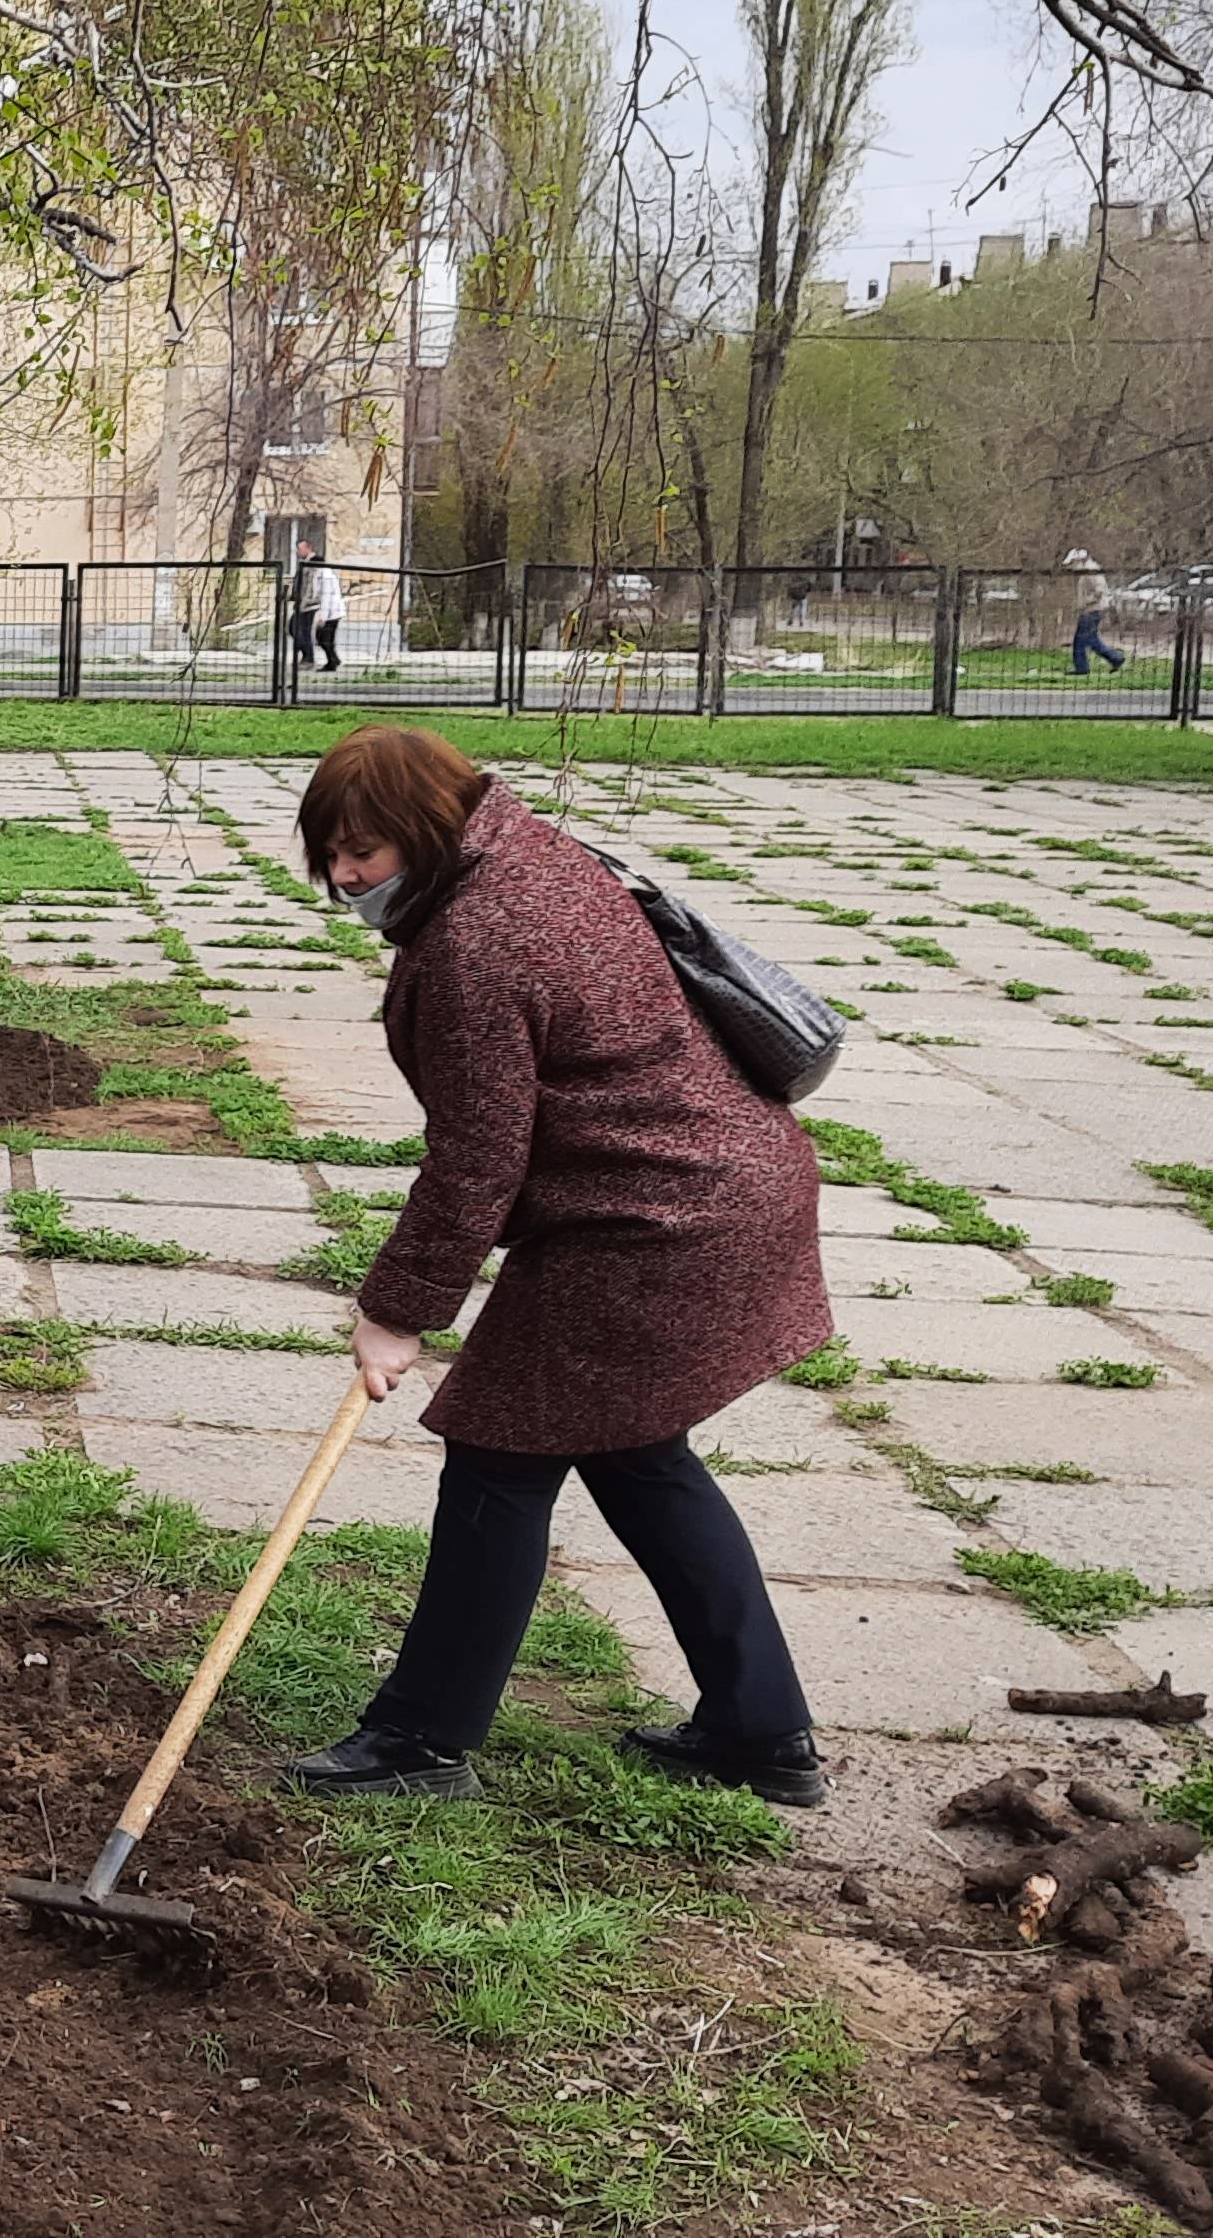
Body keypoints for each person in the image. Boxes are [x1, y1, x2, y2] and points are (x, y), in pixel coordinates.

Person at [279, 723, 829, 1807]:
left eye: (363, 853)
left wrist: (398, 1311)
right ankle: (760, 1731)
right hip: (715, 1185)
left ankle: (420, 1740)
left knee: (497, 1453)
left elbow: (479, 1155)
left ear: (430, 830)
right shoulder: (531, 856)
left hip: (654, 1222)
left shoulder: (480, 941)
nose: (344, 879)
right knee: (636, 1455)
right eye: (330, 855)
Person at [1066, 549, 1127, 675]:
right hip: (1089, 610)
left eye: (1073, 562)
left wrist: (1085, 603)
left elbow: (1100, 591)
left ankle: (1082, 668)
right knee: (1091, 640)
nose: (1072, 566)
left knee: (1080, 641)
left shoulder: (1091, 571)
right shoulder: (1086, 571)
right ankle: (1115, 658)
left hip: (1092, 610)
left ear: (1079, 560)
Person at [300, 545, 348, 675]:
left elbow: (326, 596)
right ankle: (333, 660)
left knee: (324, 638)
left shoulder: (324, 575)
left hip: (332, 612)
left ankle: (333, 661)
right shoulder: (324, 573)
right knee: (324, 638)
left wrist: (323, 617)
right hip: (332, 611)